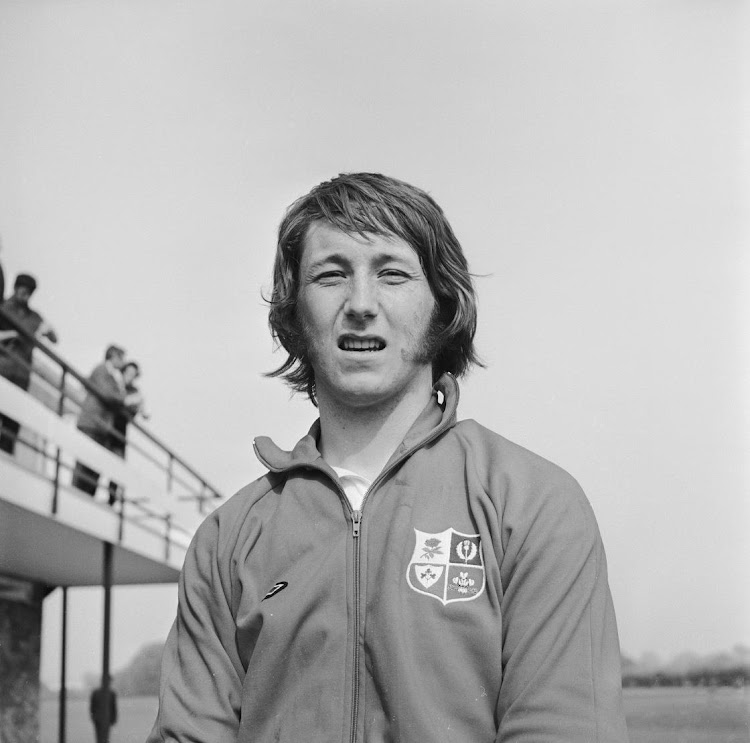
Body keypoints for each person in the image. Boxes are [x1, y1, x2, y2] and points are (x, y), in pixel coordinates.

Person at [147, 173, 628, 742]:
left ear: (441, 303)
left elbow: (564, 728)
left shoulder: (534, 504)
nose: (360, 304)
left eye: (392, 273)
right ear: (294, 315)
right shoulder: (228, 539)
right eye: (330, 275)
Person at [0, 273, 58, 454]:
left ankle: (6, 456)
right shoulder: (3, 308)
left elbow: (54, 338)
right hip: (2, 367)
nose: (25, 294)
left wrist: (49, 331)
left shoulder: (35, 317)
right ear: (15, 288)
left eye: (29, 292)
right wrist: (9, 335)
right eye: (22, 289)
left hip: (22, 374)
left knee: (12, 419)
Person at [72, 344, 127, 498]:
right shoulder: (102, 370)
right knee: (84, 463)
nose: (122, 363)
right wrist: (124, 398)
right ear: (113, 357)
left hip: (101, 427)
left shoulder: (113, 375)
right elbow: (108, 394)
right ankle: (76, 496)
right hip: (91, 423)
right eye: (121, 358)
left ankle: (86, 497)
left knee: (94, 466)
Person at [110, 360, 146, 459]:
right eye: (129, 373)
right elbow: (115, 399)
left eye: (133, 375)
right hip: (107, 424)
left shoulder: (134, 391)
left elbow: (136, 410)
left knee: (117, 461)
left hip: (120, 429)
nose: (130, 377)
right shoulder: (115, 383)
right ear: (124, 372)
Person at [89, 679, 118, 743]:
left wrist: (93, 716)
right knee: (103, 736)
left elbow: (113, 707)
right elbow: (92, 706)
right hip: (101, 719)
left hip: (102, 719)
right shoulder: (111, 693)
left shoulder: (110, 693)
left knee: (102, 736)